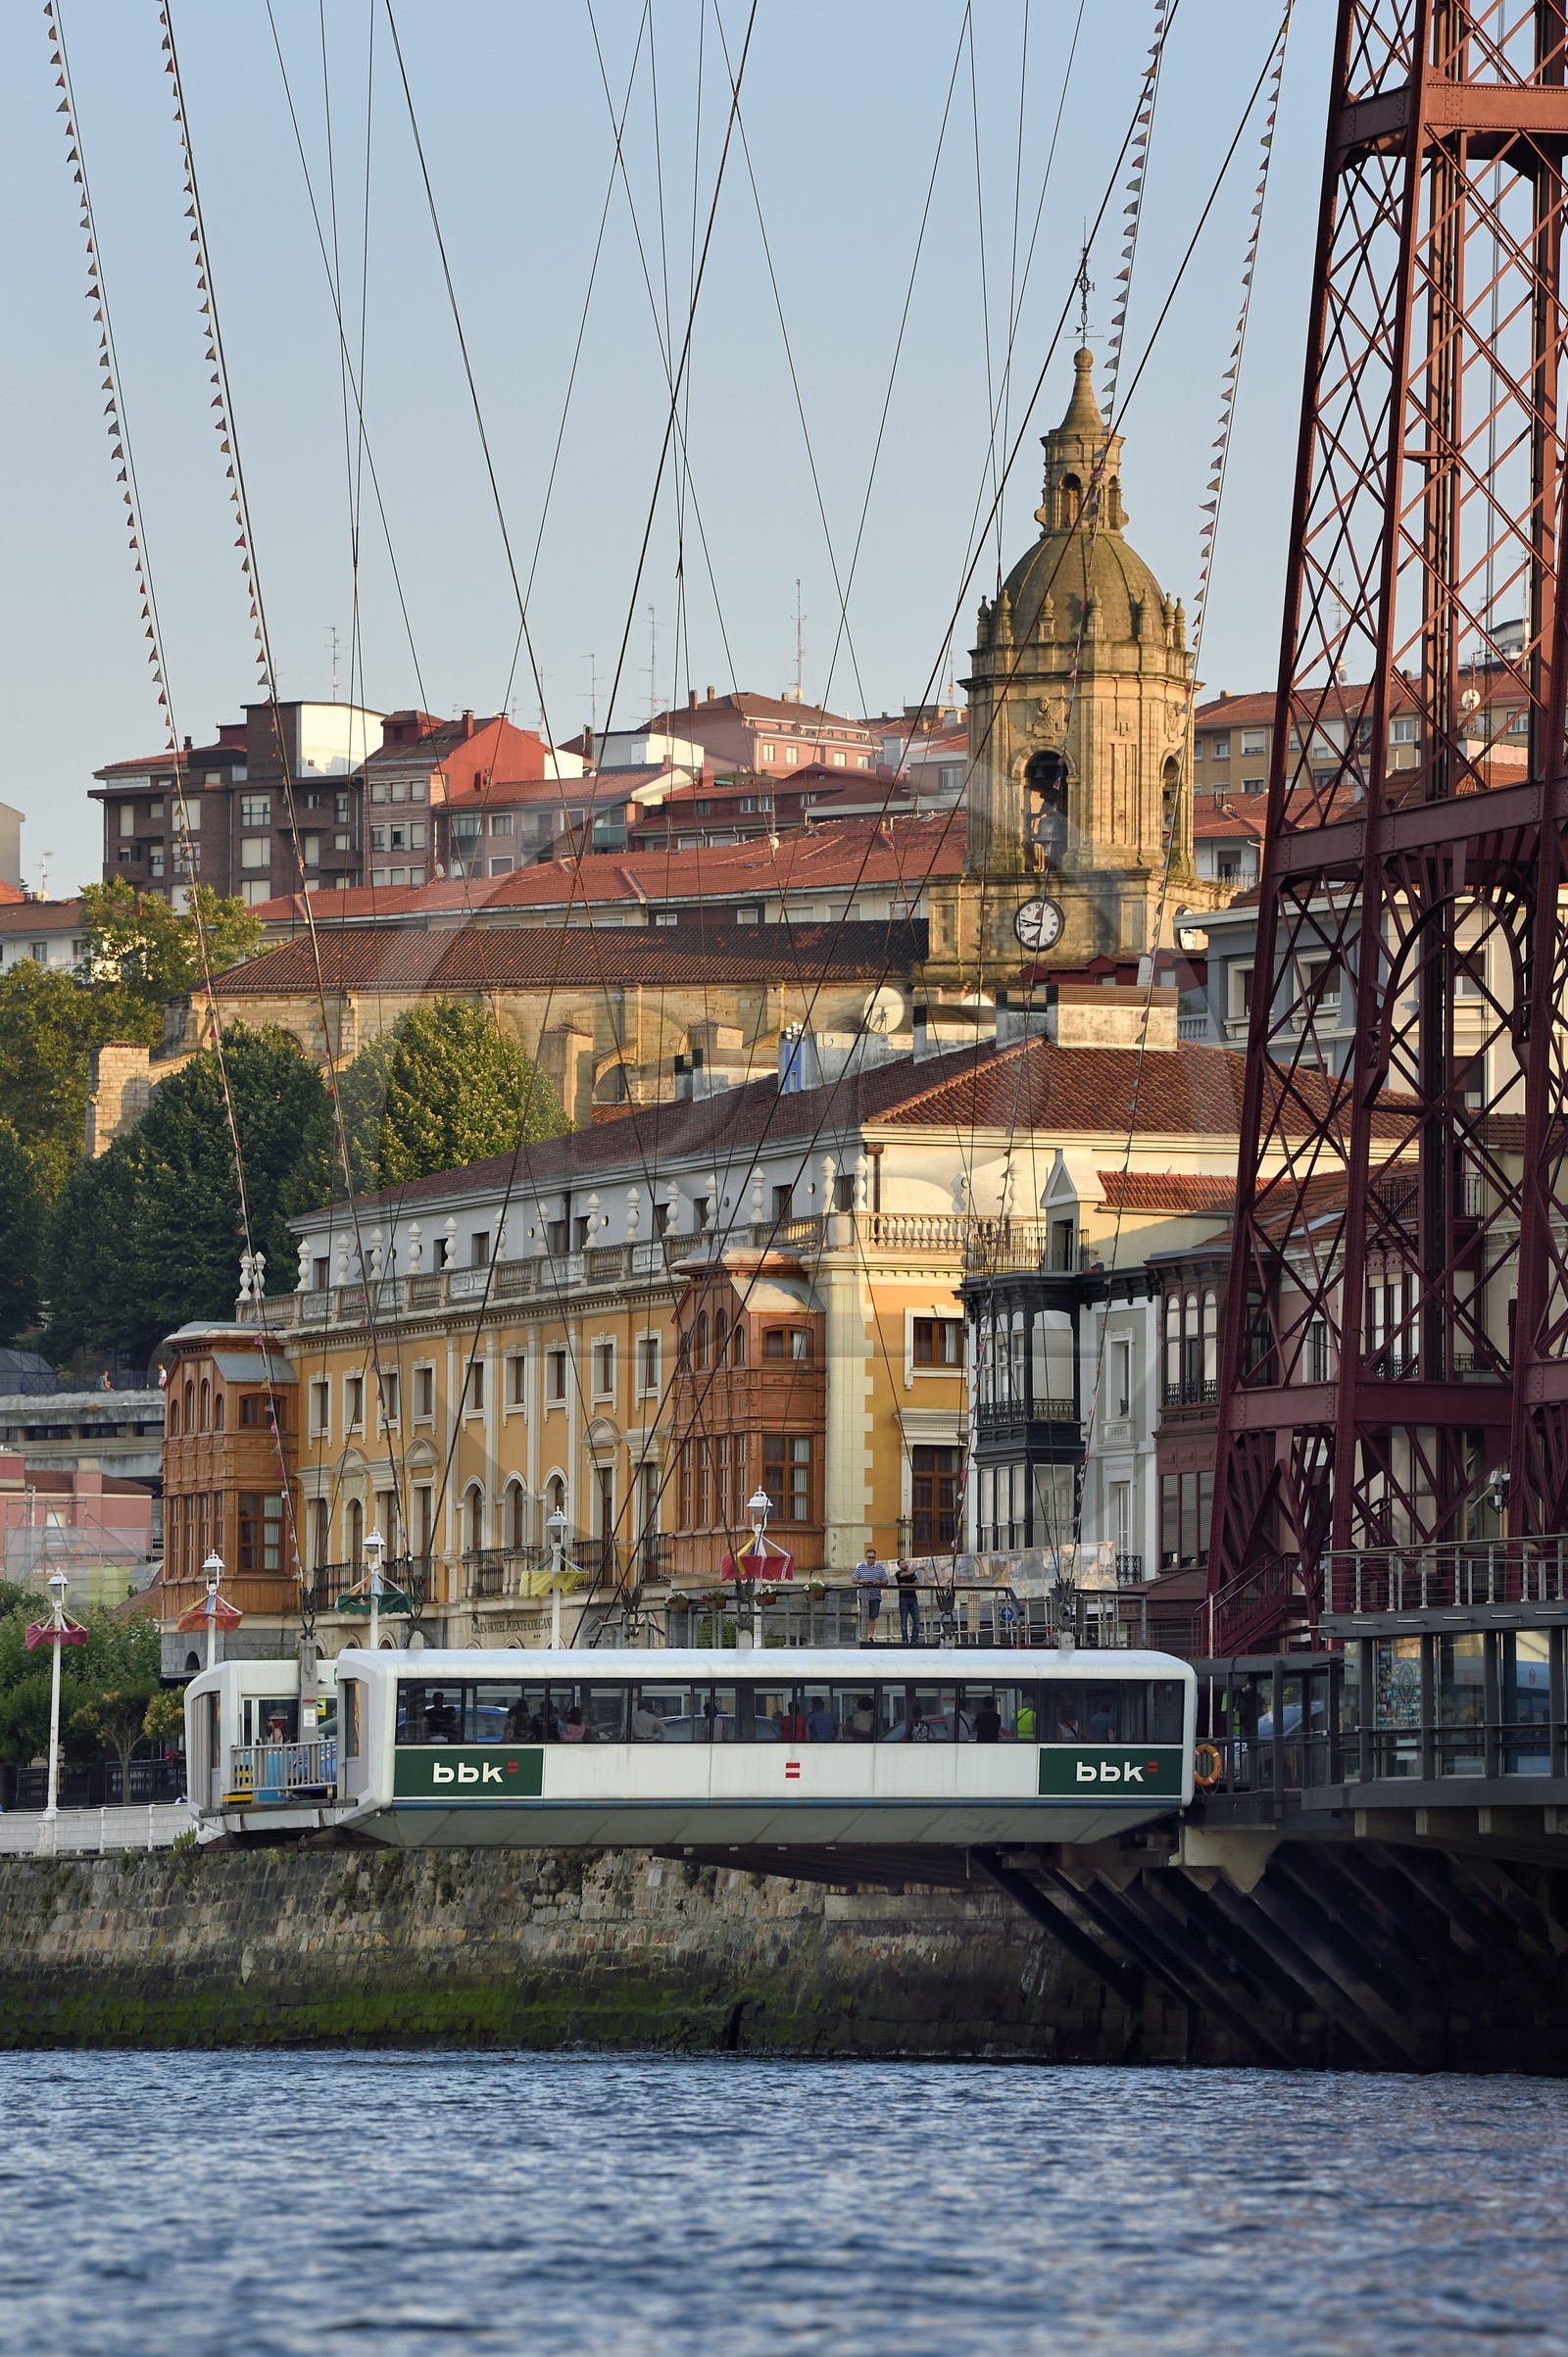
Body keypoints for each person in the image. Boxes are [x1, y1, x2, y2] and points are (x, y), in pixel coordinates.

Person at [855, 1545, 888, 1643]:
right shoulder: (860, 1567)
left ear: (875, 1558)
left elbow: (886, 1581)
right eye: (869, 1557)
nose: (871, 1559)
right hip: (864, 1596)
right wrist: (861, 1580)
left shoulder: (880, 1568)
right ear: (866, 1557)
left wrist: (879, 1582)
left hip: (875, 1596)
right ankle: (863, 1635)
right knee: (864, 1615)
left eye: (873, 1557)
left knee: (873, 1616)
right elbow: (853, 1579)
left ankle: (870, 1636)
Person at [895, 1558, 921, 1646]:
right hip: (903, 1599)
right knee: (903, 1621)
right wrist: (918, 1568)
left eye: (906, 1563)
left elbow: (917, 1585)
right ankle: (905, 1640)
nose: (905, 1565)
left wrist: (906, 1585)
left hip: (913, 1598)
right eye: (903, 1564)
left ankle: (914, 1640)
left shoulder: (912, 1574)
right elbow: (905, 1575)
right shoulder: (898, 1573)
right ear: (899, 1566)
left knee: (916, 1620)